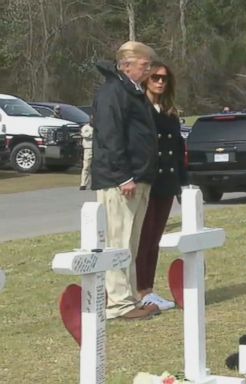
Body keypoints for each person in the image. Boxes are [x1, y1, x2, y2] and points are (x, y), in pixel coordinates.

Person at [91, 41, 160, 321]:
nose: (148, 70)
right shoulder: (113, 92)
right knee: (118, 241)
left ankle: (129, 298)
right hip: (121, 180)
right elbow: (110, 136)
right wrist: (124, 176)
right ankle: (118, 303)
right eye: (145, 65)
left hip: (139, 178)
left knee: (130, 242)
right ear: (127, 64)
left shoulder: (132, 92)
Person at [136, 61, 188, 311]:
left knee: (155, 238)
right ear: (146, 79)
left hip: (167, 182)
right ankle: (140, 289)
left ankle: (149, 288)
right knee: (142, 238)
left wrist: (183, 182)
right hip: (147, 181)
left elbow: (178, 150)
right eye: (155, 77)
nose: (159, 82)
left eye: (164, 78)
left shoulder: (170, 112)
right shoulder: (140, 108)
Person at [79, 120, 93, 190]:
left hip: (97, 149)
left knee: (96, 167)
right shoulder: (85, 127)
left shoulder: (98, 127)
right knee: (86, 167)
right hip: (88, 149)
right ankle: (83, 184)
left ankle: (95, 183)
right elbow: (85, 135)